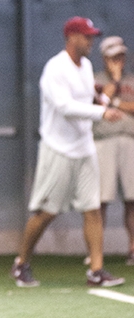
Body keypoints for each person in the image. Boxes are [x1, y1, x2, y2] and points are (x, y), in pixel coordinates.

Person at [11, 17, 126, 287]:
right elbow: (65, 107)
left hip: (84, 148)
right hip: (58, 149)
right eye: (86, 36)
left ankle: (96, 271)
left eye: (92, 36)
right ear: (71, 37)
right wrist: (102, 112)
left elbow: (89, 100)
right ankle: (21, 263)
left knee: (92, 208)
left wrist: (105, 97)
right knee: (46, 212)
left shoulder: (85, 66)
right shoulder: (55, 68)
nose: (90, 42)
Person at [93, 36, 134, 265]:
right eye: (114, 56)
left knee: (132, 199)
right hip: (103, 142)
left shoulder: (133, 80)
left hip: (130, 141)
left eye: (121, 55)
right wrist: (115, 81)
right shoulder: (94, 80)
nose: (119, 60)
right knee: (100, 200)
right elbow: (99, 101)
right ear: (105, 58)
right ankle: (96, 252)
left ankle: (133, 248)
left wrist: (116, 103)